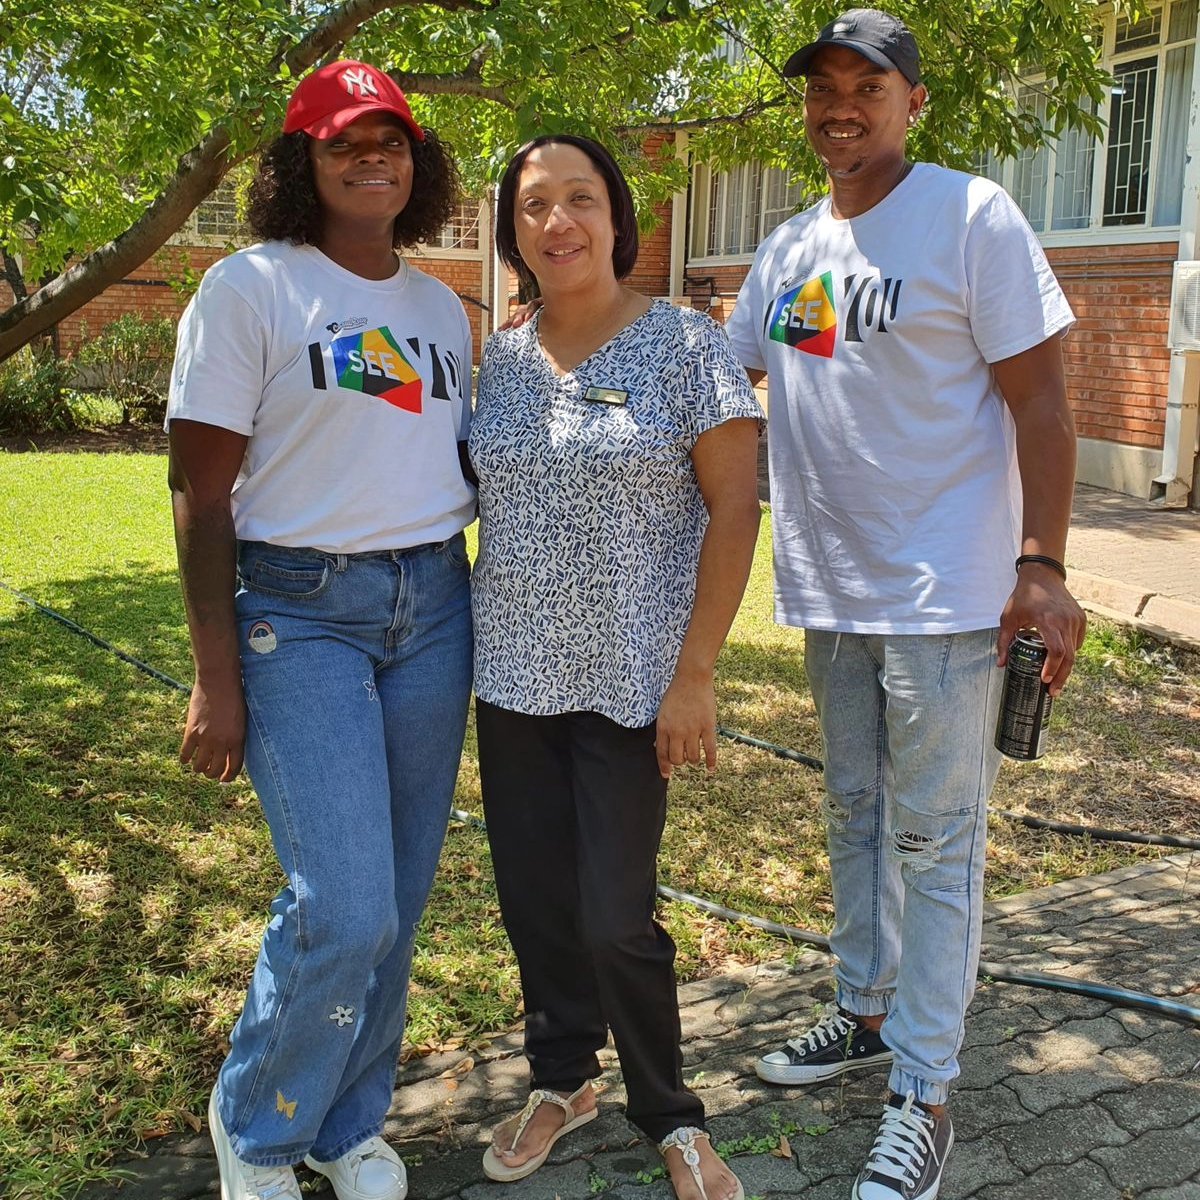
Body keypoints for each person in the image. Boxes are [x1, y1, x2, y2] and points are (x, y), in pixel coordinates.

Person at [724, 11, 1088, 1200]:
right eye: (822, 87)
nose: (841, 106)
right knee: (855, 813)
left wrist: (1043, 566)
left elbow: (1042, 400)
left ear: (912, 102)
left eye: (866, 85)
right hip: (832, 588)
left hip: (945, 594)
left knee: (938, 844)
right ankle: (866, 1011)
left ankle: (925, 1090)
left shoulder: (969, 215)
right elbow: (726, 374)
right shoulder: (786, 251)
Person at [166, 60, 474, 1200]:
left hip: (435, 609)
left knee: (396, 898)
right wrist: (215, 677)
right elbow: (198, 491)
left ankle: (347, 1120)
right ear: (301, 159)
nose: (372, 157)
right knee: (340, 903)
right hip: (299, 614)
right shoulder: (249, 290)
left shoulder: (441, 304)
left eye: (391, 139)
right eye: (345, 140)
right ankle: (256, 1122)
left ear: (418, 160)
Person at [468, 134, 763, 1200]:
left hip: (634, 681)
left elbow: (738, 508)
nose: (559, 222)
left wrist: (698, 675)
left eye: (580, 199)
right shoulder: (496, 359)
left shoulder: (686, 346)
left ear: (616, 215)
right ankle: (561, 1079)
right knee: (535, 902)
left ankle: (669, 1114)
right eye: (535, 205)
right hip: (508, 672)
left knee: (614, 916)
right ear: (513, 230)